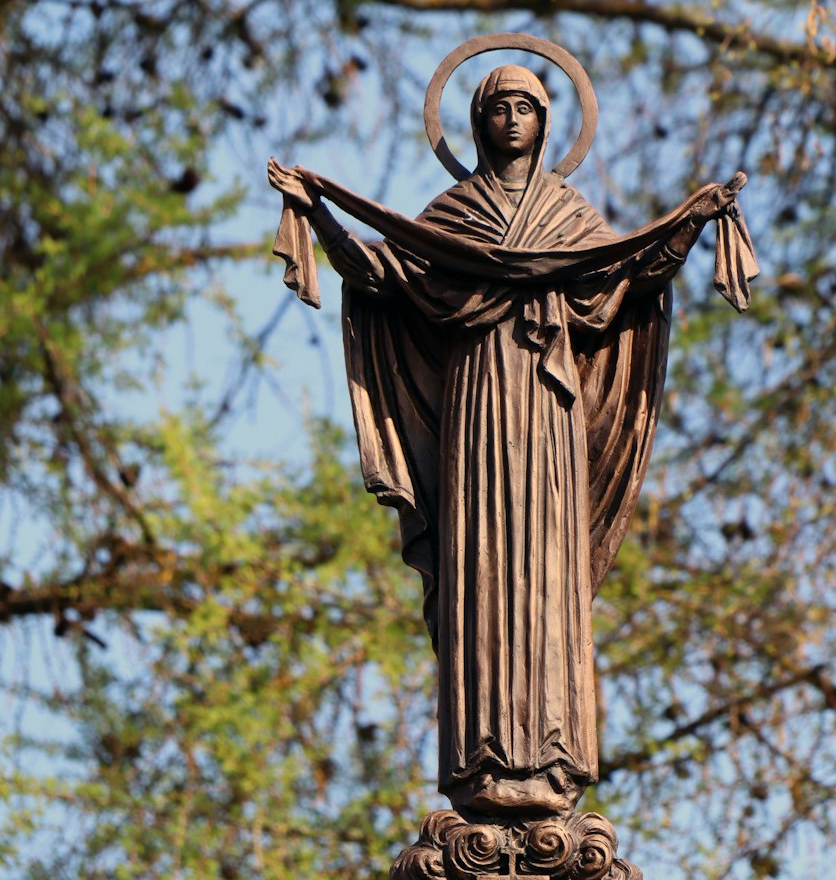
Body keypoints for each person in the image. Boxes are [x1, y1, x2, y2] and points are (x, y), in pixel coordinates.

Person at [269, 64, 755, 817]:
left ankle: (553, 750)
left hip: (549, 416)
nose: (513, 119)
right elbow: (382, 273)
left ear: (548, 122)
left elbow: (621, 288)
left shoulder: (569, 217)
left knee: (547, 573)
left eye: (527, 106)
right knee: (482, 569)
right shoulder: (453, 216)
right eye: (499, 107)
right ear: (477, 122)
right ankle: (482, 752)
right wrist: (322, 216)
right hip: (475, 412)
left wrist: (689, 223)